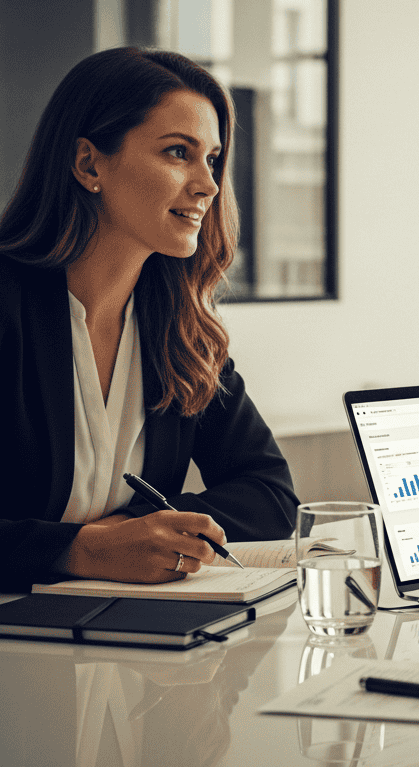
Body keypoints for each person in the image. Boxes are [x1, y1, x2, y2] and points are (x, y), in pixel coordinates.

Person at [0, 47, 299, 593]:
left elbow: (270, 492)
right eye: (177, 152)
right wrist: (77, 550)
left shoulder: (179, 328)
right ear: (89, 164)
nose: (208, 185)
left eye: (212, 158)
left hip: (123, 642)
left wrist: (147, 529)